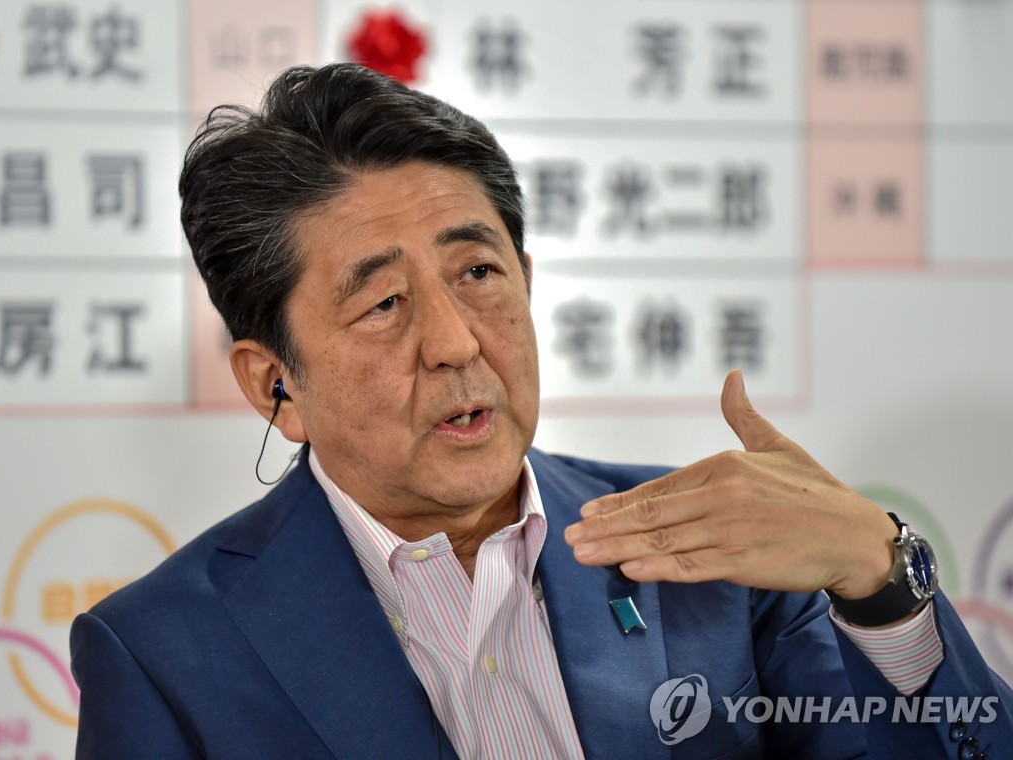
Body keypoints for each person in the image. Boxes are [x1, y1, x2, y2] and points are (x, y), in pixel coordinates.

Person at [70, 62, 1011, 759]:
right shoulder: (162, 654)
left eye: (478, 273)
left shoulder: (719, 553)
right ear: (274, 382)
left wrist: (878, 577)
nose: (455, 342)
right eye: (384, 303)